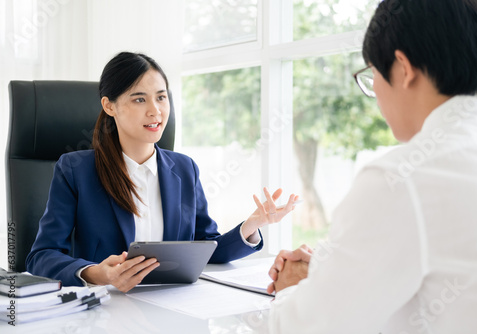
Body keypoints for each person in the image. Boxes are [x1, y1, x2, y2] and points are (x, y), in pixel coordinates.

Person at [267, 0, 477, 333]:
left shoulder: (403, 179)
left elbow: (308, 327)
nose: (374, 90)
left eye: (372, 73)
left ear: (403, 68)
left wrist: (290, 287)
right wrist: (329, 268)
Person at [26, 52, 298, 293]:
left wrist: (251, 225)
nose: (155, 111)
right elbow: (41, 256)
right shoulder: (76, 170)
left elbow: (206, 247)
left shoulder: (184, 168)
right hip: (106, 308)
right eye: (139, 99)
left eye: (161, 97)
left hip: (172, 305)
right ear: (110, 106)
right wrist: (99, 274)